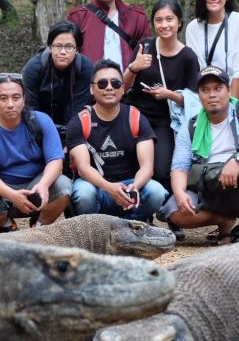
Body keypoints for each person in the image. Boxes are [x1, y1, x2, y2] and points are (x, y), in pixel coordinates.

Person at [158, 66, 239, 242]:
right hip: (209, 186)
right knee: (175, 212)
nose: (212, 94)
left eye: (217, 88)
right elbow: (179, 167)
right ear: (198, 95)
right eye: (205, 90)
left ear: (228, 90)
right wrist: (180, 193)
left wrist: (237, 160)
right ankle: (224, 220)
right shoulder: (191, 126)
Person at [66, 59, 167, 222]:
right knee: (83, 194)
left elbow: (147, 166)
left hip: (130, 185)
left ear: (122, 88)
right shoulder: (80, 122)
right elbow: (83, 168)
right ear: (92, 89)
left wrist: (135, 186)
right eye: (102, 83)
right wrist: (109, 187)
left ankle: (135, 224)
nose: (109, 88)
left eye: (115, 83)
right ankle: (95, 228)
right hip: (97, 186)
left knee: (156, 192)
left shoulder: (135, 117)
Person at [0, 73, 71, 233]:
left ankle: (39, 228)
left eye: (16, 97)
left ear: (24, 99)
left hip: (37, 184)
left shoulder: (42, 121)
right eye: (3, 98)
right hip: (3, 188)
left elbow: (56, 160)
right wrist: (13, 195)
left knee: (64, 185)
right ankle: (8, 226)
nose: (10, 104)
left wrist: (44, 184)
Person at [122, 0, 200, 195]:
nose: (164, 25)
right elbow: (121, 87)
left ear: (179, 22)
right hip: (134, 115)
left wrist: (169, 95)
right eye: (158, 20)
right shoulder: (145, 46)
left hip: (164, 120)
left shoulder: (188, 56)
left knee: (162, 170)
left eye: (169, 19)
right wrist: (134, 67)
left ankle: (167, 212)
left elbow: (194, 100)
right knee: (127, 162)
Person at [67, 0, 152, 72]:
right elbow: (68, 54)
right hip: (90, 86)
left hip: (128, 86)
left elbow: (148, 54)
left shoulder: (136, 17)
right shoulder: (78, 17)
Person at [21, 21, 94, 132]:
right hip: (39, 125)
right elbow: (30, 108)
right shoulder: (33, 68)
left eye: (69, 47)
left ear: (77, 49)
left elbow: (79, 108)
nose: (63, 52)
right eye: (58, 46)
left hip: (73, 125)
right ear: (50, 47)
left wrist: (70, 137)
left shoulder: (85, 67)